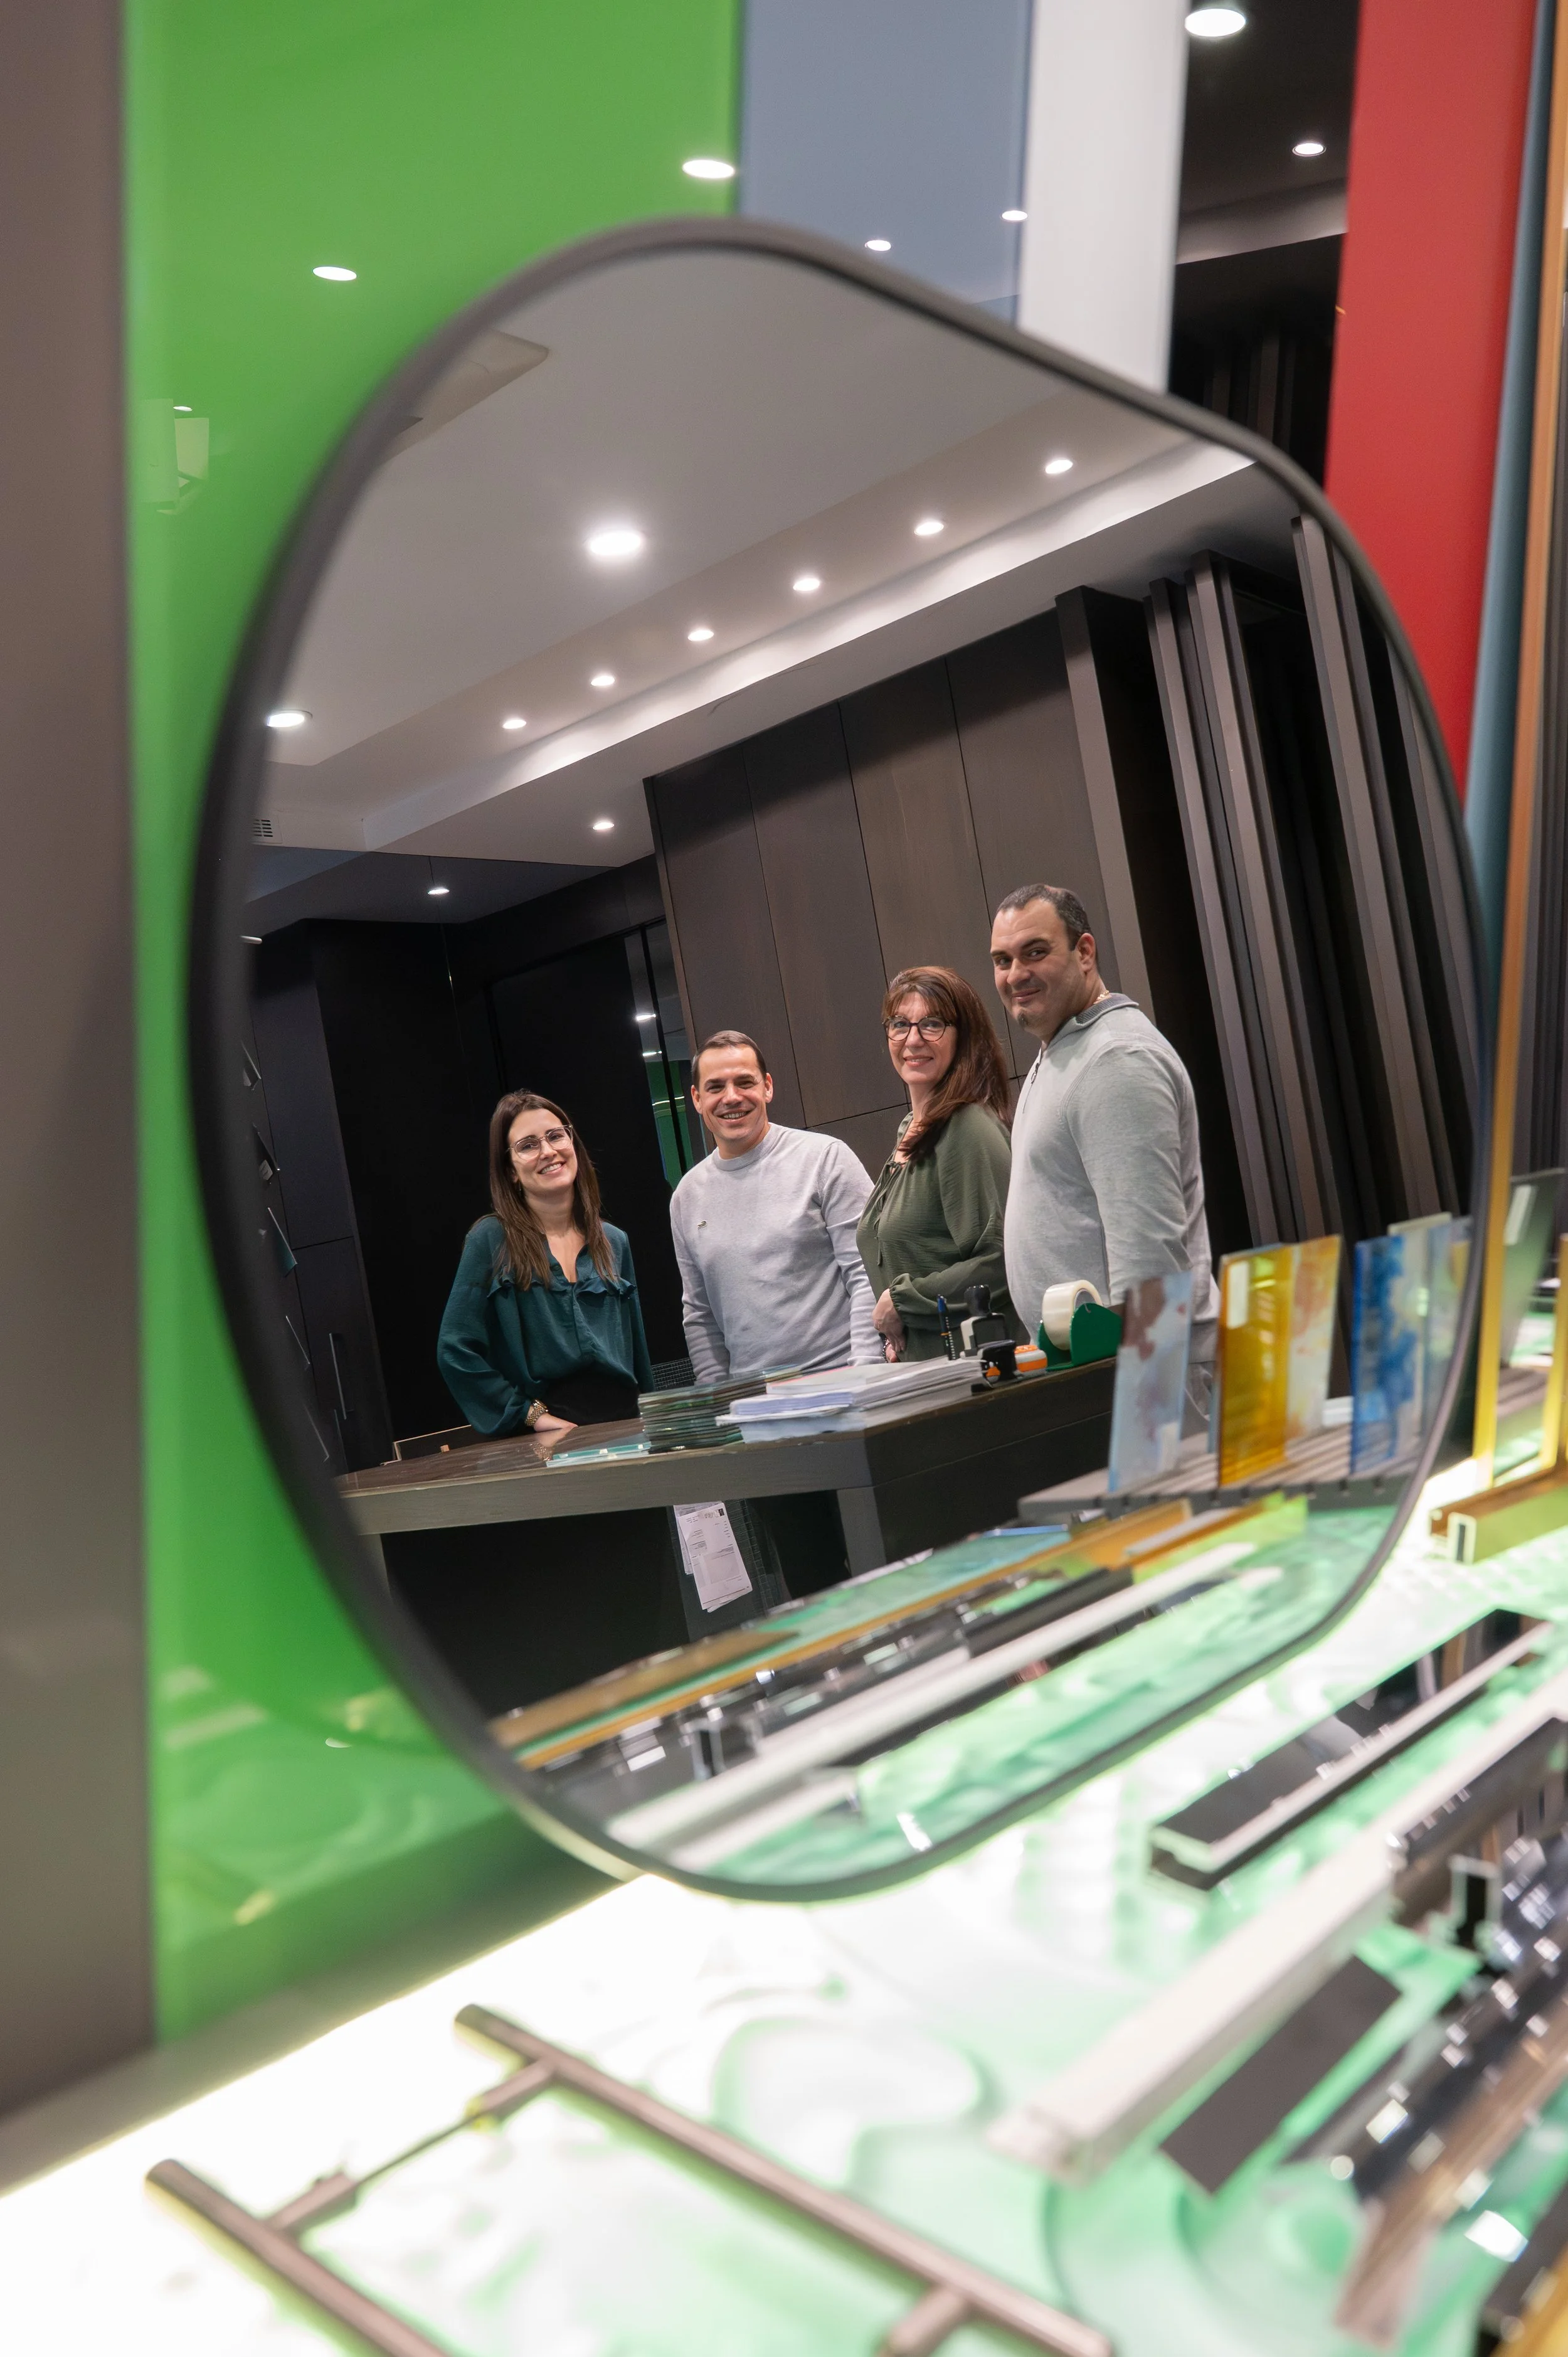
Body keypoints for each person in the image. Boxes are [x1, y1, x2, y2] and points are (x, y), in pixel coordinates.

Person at [990, 883, 1218, 1338]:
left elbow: (1149, 1265)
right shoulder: (1064, 1049)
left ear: (1085, 952)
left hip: (1147, 1377)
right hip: (1099, 1373)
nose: (1016, 974)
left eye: (1035, 952)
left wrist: (1146, 1399)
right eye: (1003, 960)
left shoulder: (1114, 1060)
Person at [437, 1090, 652, 1437]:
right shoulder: (491, 1239)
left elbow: (637, 1356)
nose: (549, 1151)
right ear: (510, 1171)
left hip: (626, 1428)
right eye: (528, 1145)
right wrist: (528, 1414)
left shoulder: (614, 1241)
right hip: (551, 1439)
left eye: (555, 1136)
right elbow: (455, 1349)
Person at [670, 1030, 881, 1382]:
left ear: (767, 1086)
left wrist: (867, 1371)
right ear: (696, 1098)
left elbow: (867, 1273)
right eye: (716, 1087)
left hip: (843, 1382)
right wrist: (720, 1403)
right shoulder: (687, 1195)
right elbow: (699, 1312)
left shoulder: (825, 1158)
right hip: (753, 1404)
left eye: (744, 1082)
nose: (731, 1098)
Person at [856, 965, 1020, 1360]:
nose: (913, 1039)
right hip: (930, 1370)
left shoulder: (968, 1128)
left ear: (963, 1037)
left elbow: (1002, 1261)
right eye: (900, 1024)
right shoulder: (910, 1131)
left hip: (979, 1376)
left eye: (931, 1024)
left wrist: (902, 1303)